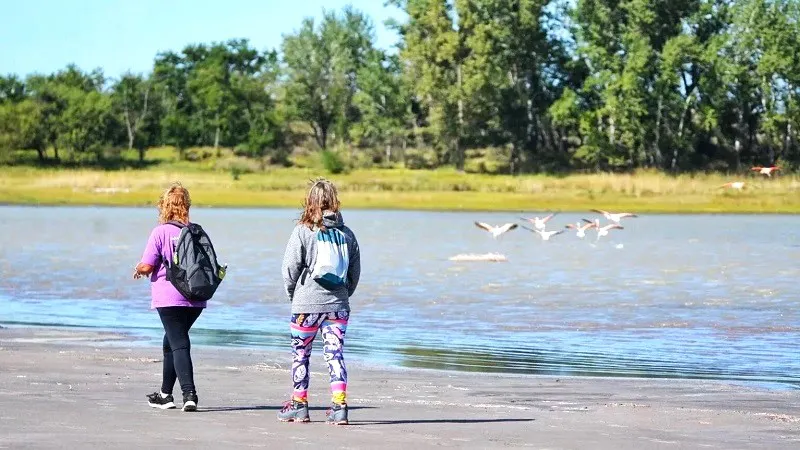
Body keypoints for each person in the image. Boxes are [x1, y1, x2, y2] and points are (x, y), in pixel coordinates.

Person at [277, 178, 361, 425]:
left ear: (310, 201)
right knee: (335, 354)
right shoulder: (347, 234)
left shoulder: (303, 231)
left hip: (306, 305)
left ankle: (299, 406)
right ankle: (340, 407)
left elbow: (289, 269)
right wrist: (342, 296)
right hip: (338, 307)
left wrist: (294, 296)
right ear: (335, 201)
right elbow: (354, 275)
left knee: (300, 355)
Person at [133, 182, 205, 412]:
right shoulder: (195, 231)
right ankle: (165, 394)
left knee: (179, 343)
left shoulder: (161, 232)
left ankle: (189, 394)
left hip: (169, 298)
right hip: (195, 298)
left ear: (164, 207)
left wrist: (138, 268)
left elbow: (146, 265)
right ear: (187, 206)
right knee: (171, 343)